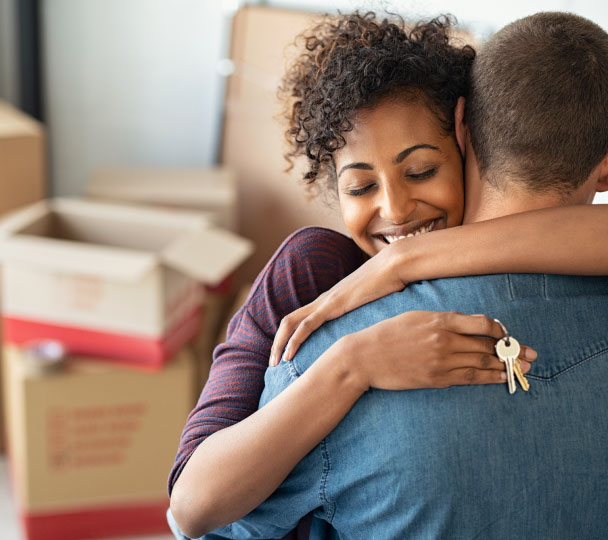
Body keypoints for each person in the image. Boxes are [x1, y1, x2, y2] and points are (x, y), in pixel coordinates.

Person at [168, 11, 608, 539]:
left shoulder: (340, 332)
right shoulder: (310, 286)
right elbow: (191, 508)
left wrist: (407, 262)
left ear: (463, 132)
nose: (397, 210)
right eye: (360, 187)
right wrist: (352, 364)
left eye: (421, 171)